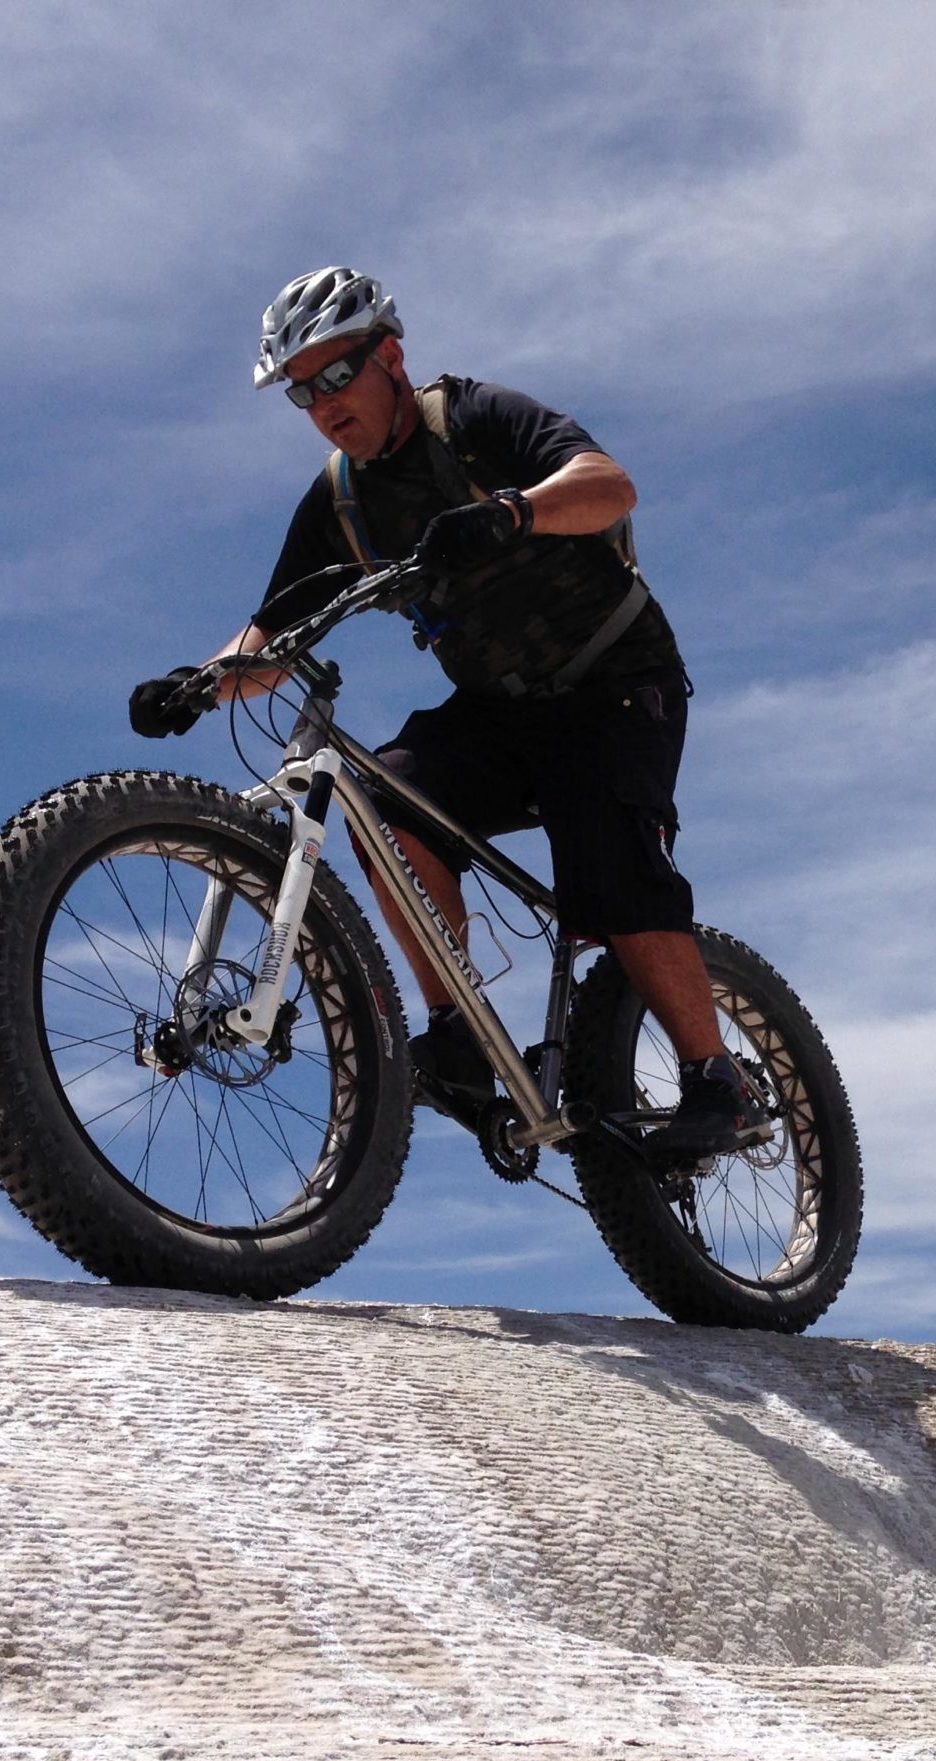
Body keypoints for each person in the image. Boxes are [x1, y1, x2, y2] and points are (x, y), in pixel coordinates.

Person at [128, 266, 760, 1159]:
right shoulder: (341, 498)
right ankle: (460, 1036)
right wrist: (200, 681)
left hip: (617, 681)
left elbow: (610, 485)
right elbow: (274, 631)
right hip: (502, 710)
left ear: (390, 354)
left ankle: (717, 1082)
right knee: (385, 796)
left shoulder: (474, 419)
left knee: (610, 870)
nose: (322, 403)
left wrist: (512, 513)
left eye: (336, 375)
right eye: (300, 391)